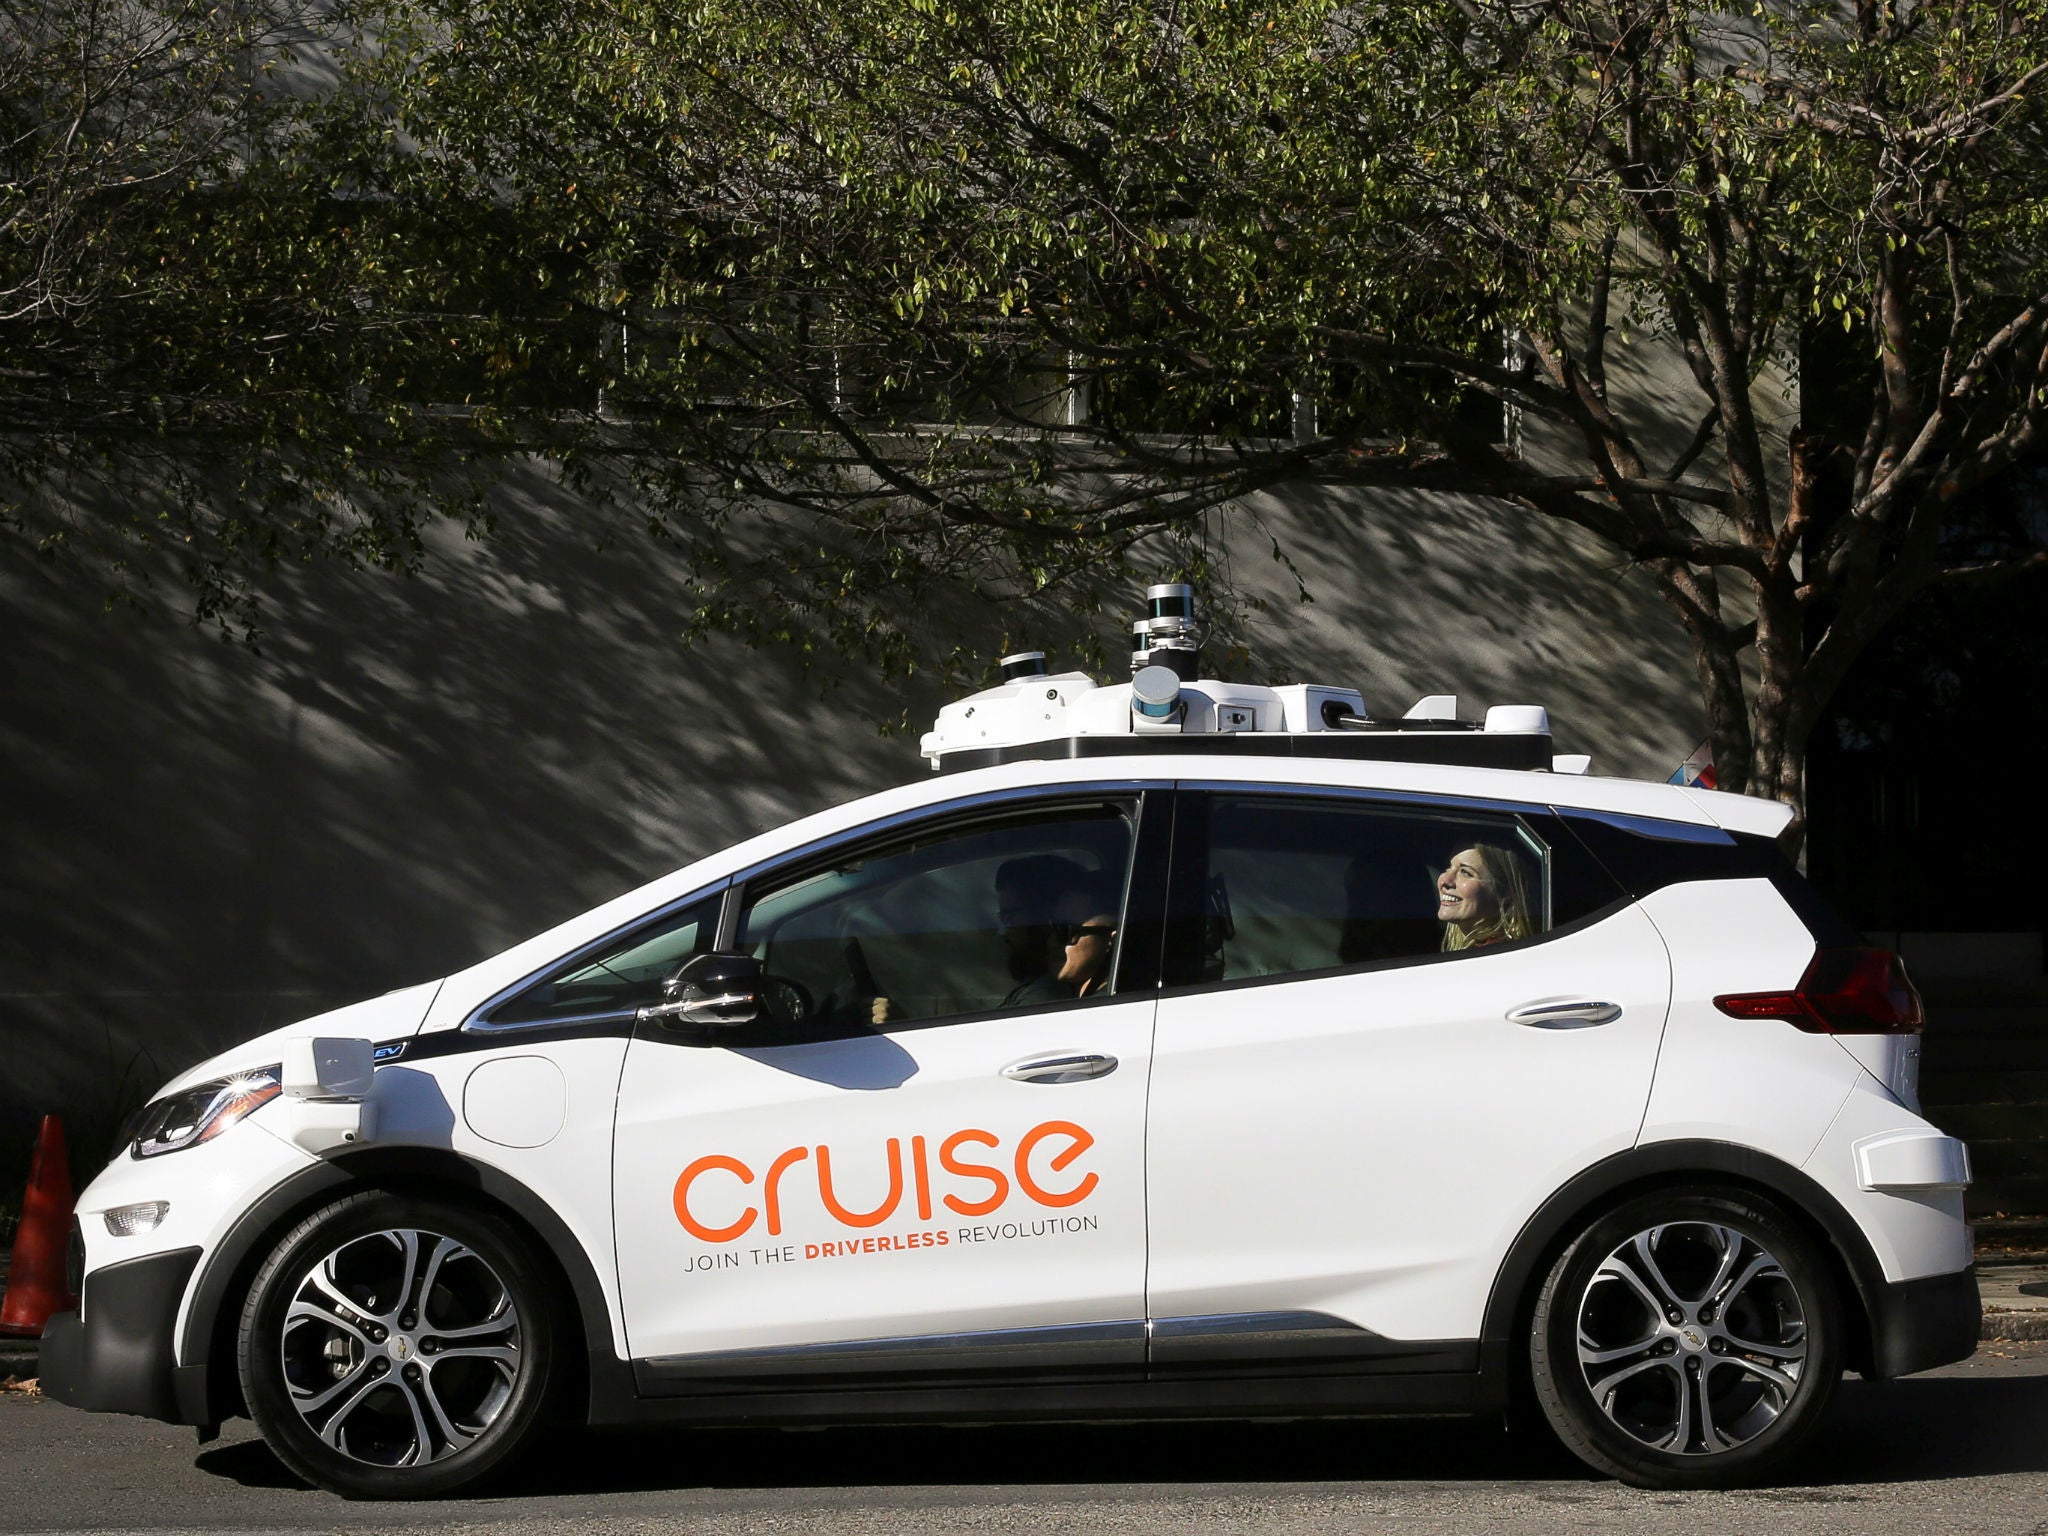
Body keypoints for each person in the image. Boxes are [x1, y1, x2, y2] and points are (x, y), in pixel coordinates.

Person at [870, 853, 1087, 1023]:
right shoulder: (1038, 992)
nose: (1004, 931)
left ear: (1050, 920)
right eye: (1003, 917)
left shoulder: (1045, 998)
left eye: (1011, 917)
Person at [1436, 842, 1535, 951]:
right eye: (1448, 868)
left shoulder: (1495, 956)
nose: (1445, 880)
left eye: (1465, 872)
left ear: (1505, 892)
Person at [1052, 876, 1120, 998]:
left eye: (1068, 931)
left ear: (1113, 939)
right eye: (1055, 928)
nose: (1053, 942)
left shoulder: (1108, 1009)